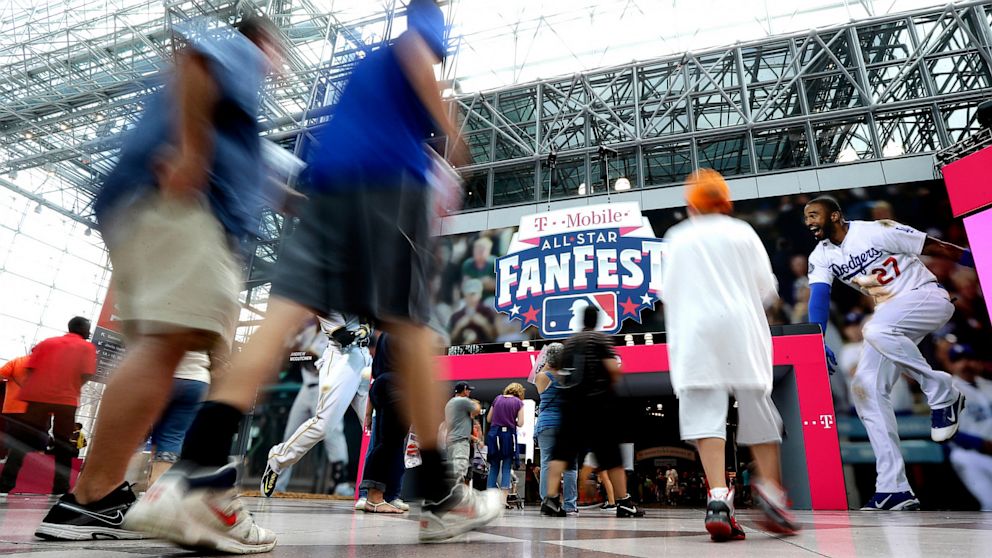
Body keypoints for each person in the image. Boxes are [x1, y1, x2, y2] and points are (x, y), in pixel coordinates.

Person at [129, 0, 502, 546]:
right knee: (412, 328)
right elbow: (419, 51)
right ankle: (445, 496)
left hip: (326, 185)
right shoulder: (425, 19)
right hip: (386, 183)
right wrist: (453, 137)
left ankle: (194, 475)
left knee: (280, 319)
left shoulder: (364, 69)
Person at [34, 16, 285, 550]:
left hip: (148, 203)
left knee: (164, 347)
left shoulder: (238, 120)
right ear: (262, 43)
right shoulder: (239, 53)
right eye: (276, 52)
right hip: (183, 203)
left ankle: (95, 498)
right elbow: (198, 58)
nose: (277, 65)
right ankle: (100, 498)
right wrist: (192, 152)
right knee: (168, 345)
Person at [804, 195, 973, 511]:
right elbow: (820, 297)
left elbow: (934, 246)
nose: (809, 221)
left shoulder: (876, 230)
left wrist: (980, 260)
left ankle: (941, 391)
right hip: (890, 314)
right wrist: (816, 338)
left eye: (814, 215)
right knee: (865, 388)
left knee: (875, 329)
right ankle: (894, 488)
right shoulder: (821, 255)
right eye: (806, 217)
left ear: (836, 216)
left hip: (926, 297)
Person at [662, 169, 799, 541]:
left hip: (695, 334)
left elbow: (667, 292)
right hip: (742, 329)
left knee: (706, 413)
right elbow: (767, 289)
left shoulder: (677, 237)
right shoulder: (742, 232)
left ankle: (719, 499)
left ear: (691, 206)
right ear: (726, 203)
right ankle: (771, 492)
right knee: (756, 403)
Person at [540, 306, 644, 518]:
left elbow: (562, 375)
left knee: (561, 453)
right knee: (612, 457)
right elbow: (613, 369)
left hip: (572, 406)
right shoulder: (600, 339)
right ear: (597, 320)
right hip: (598, 406)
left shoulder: (570, 344)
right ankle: (624, 502)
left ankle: (550, 500)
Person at [261, 314, 372, 496]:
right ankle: (278, 458)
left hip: (363, 358)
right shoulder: (327, 301)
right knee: (323, 426)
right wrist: (364, 329)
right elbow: (342, 337)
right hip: (339, 362)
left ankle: (376, 490)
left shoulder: (364, 290)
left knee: (373, 425)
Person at [1, 317, 96, 498]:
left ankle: (5, 484)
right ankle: (60, 488)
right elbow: (87, 374)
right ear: (84, 329)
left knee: (21, 441)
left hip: (37, 399)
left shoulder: (46, 343)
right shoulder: (87, 347)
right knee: (63, 444)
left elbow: (30, 369)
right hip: (66, 401)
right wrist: (71, 387)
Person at [143, 352, 211, 487]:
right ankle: (157, 491)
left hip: (163, 374)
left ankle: (114, 487)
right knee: (171, 436)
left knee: (137, 430)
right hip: (196, 379)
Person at [359, 333, 410, 513]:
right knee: (389, 444)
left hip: (383, 384)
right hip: (396, 386)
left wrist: (367, 412)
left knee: (389, 445)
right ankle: (374, 498)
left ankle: (379, 496)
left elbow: (376, 366)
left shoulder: (387, 333)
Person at [946, 344, 992, 511]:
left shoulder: (988, 385)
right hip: (969, 454)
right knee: (990, 503)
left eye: (969, 359)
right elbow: (946, 431)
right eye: (958, 360)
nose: (965, 364)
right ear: (950, 365)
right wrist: (980, 444)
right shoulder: (947, 391)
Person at [535, 343, 578, 514]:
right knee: (570, 466)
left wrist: (549, 360)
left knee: (546, 462)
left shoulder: (542, 377)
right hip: (567, 423)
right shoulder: (569, 376)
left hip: (546, 424)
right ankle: (570, 505)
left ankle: (548, 502)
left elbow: (544, 369)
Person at [486, 383, 525, 505]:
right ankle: (503, 501)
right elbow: (521, 423)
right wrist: (511, 419)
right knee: (507, 467)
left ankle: (490, 500)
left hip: (494, 434)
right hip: (508, 436)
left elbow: (488, 419)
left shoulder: (497, 399)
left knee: (494, 466)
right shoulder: (518, 403)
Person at [445, 382, 479, 484]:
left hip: (451, 441)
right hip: (460, 442)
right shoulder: (462, 401)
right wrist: (475, 403)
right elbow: (477, 409)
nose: (469, 392)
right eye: (468, 390)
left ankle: (452, 496)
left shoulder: (450, 403)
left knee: (452, 473)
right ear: (464, 390)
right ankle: (457, 497)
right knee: (460, 472)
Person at [448, 279, 498, 345]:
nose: (470, 297)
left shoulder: (487, 312)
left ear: (480, 294)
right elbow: (450, 340)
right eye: (467, 294)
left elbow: (494, 337)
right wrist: (459, 326)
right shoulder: (457, 315)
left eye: (473, 294)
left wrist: (484, 323)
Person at [0, 355, 30, 462]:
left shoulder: (18, 361)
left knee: (8, 433)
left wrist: (10, 378)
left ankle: (5, 455)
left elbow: (1, 374)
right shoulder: (47, 367)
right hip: (32, 411)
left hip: (11, 408)